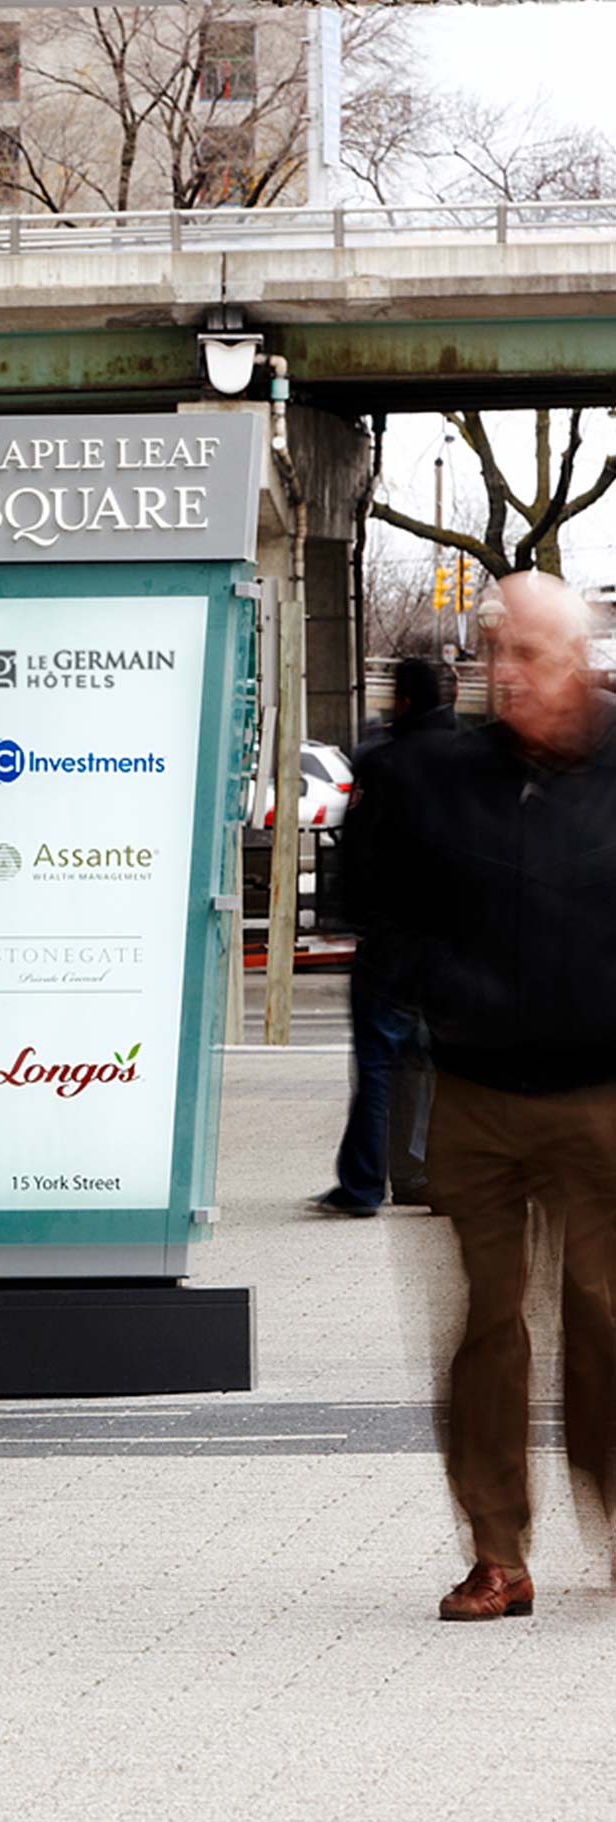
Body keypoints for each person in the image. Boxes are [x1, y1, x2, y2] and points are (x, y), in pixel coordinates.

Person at [391, 572, 616, 1621]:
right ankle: (498, 1553)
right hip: (476, 1086)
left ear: (578, 661)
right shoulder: (447, 775)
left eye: (527, 655)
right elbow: (386, 908)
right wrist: (432, 990)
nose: (505, 674)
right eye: (495, 653)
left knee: (604, 1318)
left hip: (602, 1094)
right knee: (485, 1327)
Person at [313, 658, 456, 1218]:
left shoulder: (381, 760)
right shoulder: (471, 759)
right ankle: (431, 1176)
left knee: (377, 1060)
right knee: (442, 1063)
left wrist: (352, 918)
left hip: (392, 938)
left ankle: (364, 1185)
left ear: (403, 702)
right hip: (454, 941)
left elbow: (358, 852)